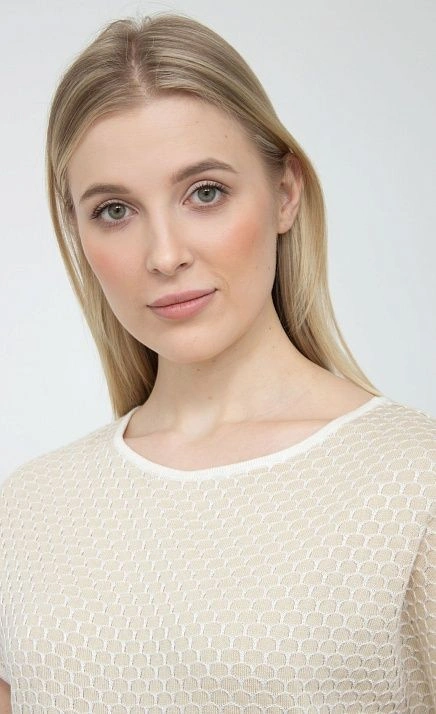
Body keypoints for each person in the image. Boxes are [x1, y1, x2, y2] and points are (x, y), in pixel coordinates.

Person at [0, 12, 434, 713]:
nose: (165, 254)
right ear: (76, 230)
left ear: (284, 194)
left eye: (205, 193)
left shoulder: (414, 485)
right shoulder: (27, 511)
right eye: (114, 210)